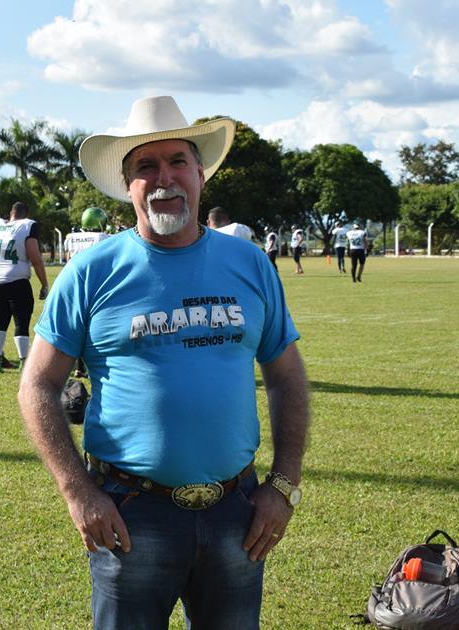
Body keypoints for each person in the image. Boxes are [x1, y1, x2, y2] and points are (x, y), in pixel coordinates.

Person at [18, 96, 310, 629]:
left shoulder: (249, 263)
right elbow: (37, 384)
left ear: (200, 174)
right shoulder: (91, 272)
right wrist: (78, 492)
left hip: (236, 512)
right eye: (145, 167)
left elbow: (286, 377)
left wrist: (284, 484)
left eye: (178, 161)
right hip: (130, 512)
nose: (164, 178)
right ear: (127, 186)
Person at [0, 201, 49, 373]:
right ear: (26, 214)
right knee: (21, 323)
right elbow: (35, 257)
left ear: (10, 213)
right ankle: (24, 363)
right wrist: (44, 284)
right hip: (18, 280)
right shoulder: (26, 227)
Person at [64, 207, 111, 378]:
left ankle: (78, 367)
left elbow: (69, 259)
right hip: (96, 286)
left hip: (75, 287)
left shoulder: (71, 238)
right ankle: (92, 368)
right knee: (95, 330)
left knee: (78, 330)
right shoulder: (101, 237)